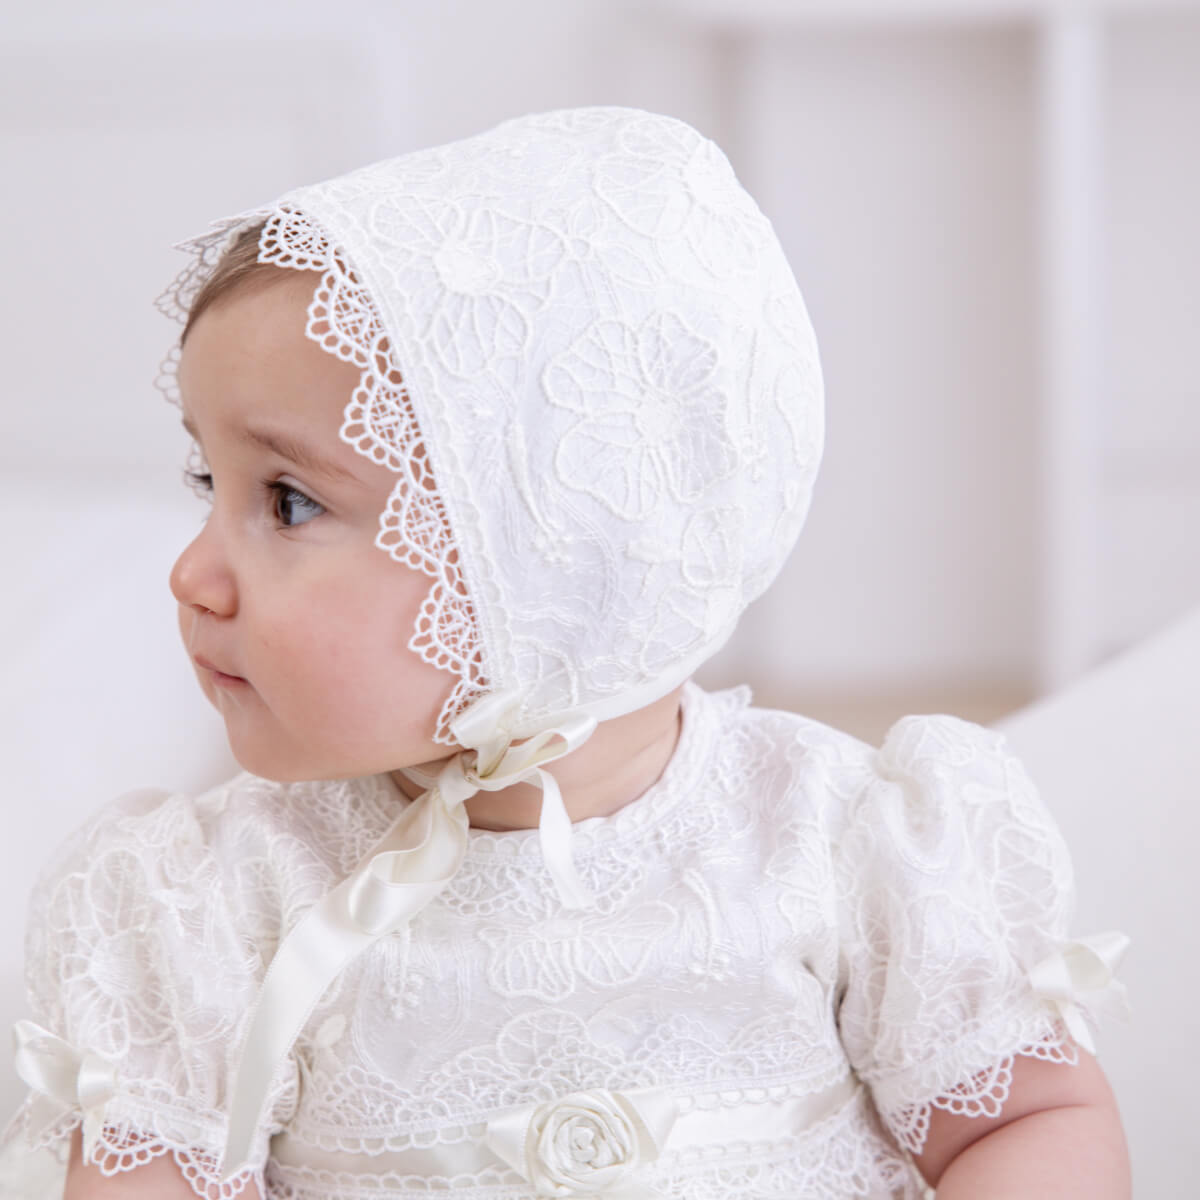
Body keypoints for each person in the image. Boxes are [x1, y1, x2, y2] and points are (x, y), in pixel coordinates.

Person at [0, 107, 1130, 1200]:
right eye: (209, 481)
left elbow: (1025, 1123)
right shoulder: (210, 904)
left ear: (552, 551)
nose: (191, 573)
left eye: (288, 501)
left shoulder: (836, 842)